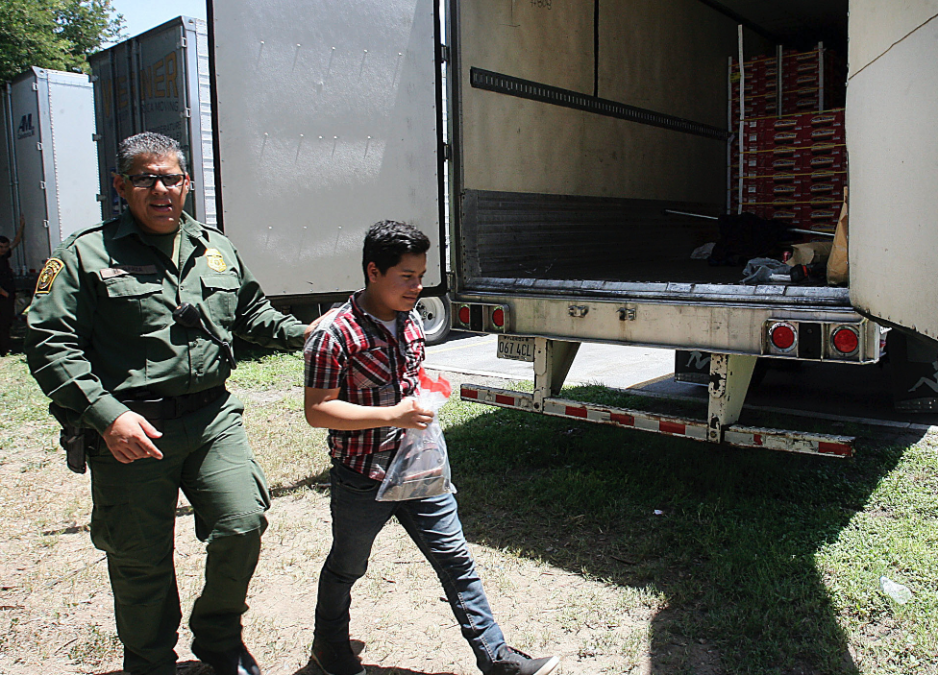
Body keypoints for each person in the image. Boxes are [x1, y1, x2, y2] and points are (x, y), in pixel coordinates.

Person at [25, 132, 322, 675]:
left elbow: (252, 316)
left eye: (171, 178)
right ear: (121, 186)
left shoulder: (215, 248)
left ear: (188, 184)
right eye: (145, 178)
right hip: (131, 429)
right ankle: (150, 661)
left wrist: (310, 335)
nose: (160, 189)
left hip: (211, 419)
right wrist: (106, 416)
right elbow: (49, 343)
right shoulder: (85, 253)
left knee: (242, 520)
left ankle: (218, 640)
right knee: (140, 559)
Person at [303, 220, 560, 675]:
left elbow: (411, 381)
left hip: (420, 471)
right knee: (347, 567)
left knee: (456, 560)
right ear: (373, 271)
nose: (418, 287)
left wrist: (426, 392)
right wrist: (394, 414)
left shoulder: (412, 322)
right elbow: (319, 410)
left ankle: (496, 657)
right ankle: (329, 649)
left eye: (421, 276)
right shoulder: (335, 334)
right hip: (363, 477)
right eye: (407, 276)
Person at [0, 213, 26, 356]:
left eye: (5, 247)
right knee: (3, 323)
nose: (3, 249)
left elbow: (15, 242)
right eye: (1, 247)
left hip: (7, 295)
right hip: (3, 296)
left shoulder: (4, 256)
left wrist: (21, 226)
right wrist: (5, 294)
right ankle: (4, 350)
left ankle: (5, 347)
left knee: (7, 322)